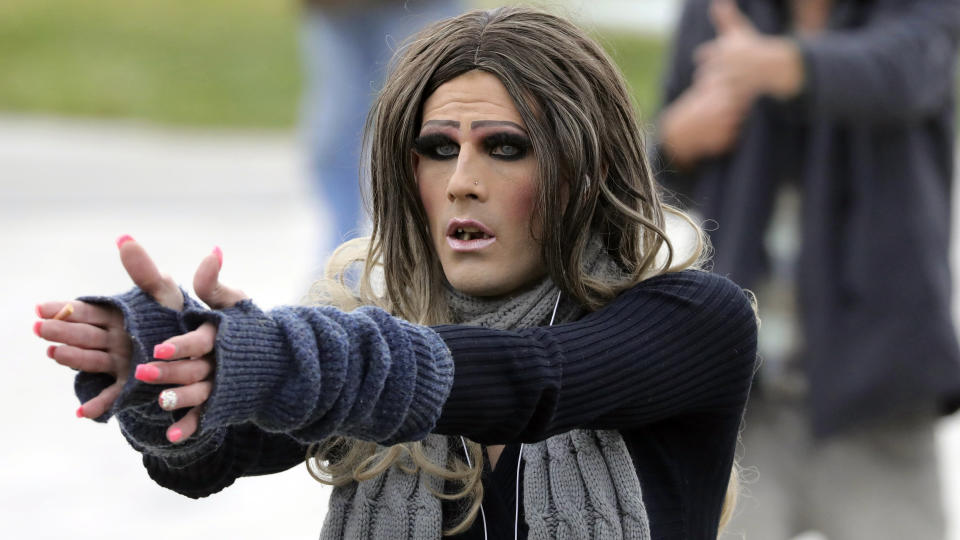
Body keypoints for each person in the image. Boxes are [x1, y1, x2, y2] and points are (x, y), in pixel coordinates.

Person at [35, 7, 758, 539]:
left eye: (505, 148)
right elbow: (214, 458)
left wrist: (279, 355)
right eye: (437, 150)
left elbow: (530, 380)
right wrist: (172, 366)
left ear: (585, 169)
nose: (461, 182)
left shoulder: (694, 321)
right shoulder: (364, 321)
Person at [654, 0, 960, 538]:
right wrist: (676, 138)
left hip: (881, 398)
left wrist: (776, 65)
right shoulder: (714, 9)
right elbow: (661, 178)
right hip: (744, 405)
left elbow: (911, 70)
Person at [300, 0, 463, 253]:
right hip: (335, 10)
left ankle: (435, 253)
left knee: (430, 120)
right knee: (333, 135)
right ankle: (341, 261)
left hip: (421, 6)